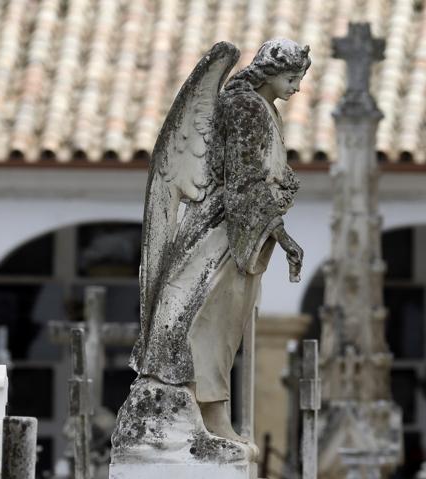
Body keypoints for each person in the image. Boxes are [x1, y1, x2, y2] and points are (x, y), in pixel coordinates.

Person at [130, 39, 309, 449]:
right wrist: (282, 236)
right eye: (291, 77)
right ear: (268, 72)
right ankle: (204, 419)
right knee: (204, 323)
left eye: (299, 78)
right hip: (220, 232)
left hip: (241, 231)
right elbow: (243, 180)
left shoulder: (263, 108)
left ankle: (211, 419)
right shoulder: (243, 107)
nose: (296, 87)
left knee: (223, 328)